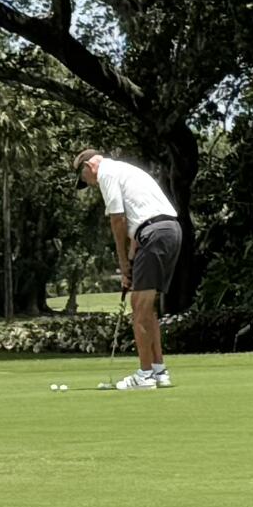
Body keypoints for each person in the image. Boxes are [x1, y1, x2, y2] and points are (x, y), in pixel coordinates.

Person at [78, 147, 182, 390]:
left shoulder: (106, 173)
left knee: (139, 308)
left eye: (85, 180)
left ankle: (144, 376)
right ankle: (159, 371)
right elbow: (138, 220)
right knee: (147, 307)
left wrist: (123, 263)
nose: (90, 184)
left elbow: (118, 220)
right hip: (168, 231)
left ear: (88, 167)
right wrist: (132, 261)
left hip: (154, 234)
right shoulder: (126, 171)